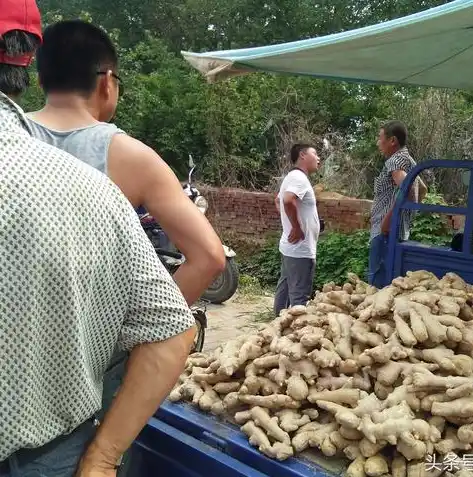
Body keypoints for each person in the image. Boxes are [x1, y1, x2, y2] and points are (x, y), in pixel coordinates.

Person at [0, 2, 196, 476]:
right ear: (106, 82)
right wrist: (118, 340)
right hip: (48, 438)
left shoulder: (33, 141)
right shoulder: (117, 164)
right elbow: (202, 266)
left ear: (42, 79)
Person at [27, 19, 225, 308]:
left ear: (41, 81)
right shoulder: (132, 158)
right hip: (94, 348)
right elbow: (209, 256)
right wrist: (147, 327)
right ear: (107, 82)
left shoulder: (10, 134)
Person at [369, 120, 427, 288]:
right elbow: (422, 189)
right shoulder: (409, 160)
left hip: (385, 232)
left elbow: (406, 189)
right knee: (393, 283)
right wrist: (408, 214)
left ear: (392, 140)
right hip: (400, 231)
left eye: (381, 138)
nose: (378, 143)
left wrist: (389, 220)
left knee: (377, 284)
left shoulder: (394, 161)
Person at [273, 143, 321, 315]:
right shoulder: (298, 178)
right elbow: (287, 200)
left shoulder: (291, 177)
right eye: (315, 153)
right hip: (300, 249)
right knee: (299, 298)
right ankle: (292, 336)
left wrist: (288, 222)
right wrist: (296, 227)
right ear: (302, 155)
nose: (318, 158)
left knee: (285, 291)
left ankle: (277, 328)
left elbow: (277, 200)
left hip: (291, 247)